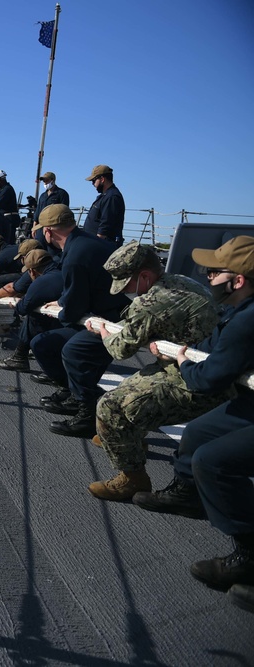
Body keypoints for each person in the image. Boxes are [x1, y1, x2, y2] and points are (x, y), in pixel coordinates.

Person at [132, 235, 254, 592]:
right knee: (198, 432)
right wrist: (184, 350)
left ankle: (250, 553)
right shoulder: (238, 309)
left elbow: (208, 380)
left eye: (214, 272)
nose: (208, 278)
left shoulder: (248, 320)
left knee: (213, 460)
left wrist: (182, 361)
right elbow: (215, 347)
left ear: (239, 280)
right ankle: (187, 493)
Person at [85, 242, 223, 501]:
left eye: (126, 284)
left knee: (109, 406)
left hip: (196, 380)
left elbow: (120, 349)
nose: (124, 290)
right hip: (203, 367)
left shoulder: (151, 301)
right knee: (127, 390)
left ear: (145, 277)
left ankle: (133, 480)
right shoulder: (179, 282)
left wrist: (103, 331)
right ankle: (128, 442)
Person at [27, 204, 128, 438]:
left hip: (113, 320)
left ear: (48, 232)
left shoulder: (75, 255)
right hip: (105, 312)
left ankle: (87, 415)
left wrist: (61, 310)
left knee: (73, 350)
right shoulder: (86, 242)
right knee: (43, 344)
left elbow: (74, 309)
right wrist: (62, 302)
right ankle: (73, 393)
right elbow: (79, 291)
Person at [0, 248, 63, 372]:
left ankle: (19, 358)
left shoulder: (41, 282)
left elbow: (22, 309)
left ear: (32, 271)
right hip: (75, 322)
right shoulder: (62, 272)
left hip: (63, 327)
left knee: (33, 316)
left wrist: (18, 303)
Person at [0, 239, 42, 304]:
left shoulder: (34, 271)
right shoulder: (54, 261)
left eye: (22, 258)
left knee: (0, 280)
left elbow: (11, 288)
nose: (22, 261)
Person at [83, 164, 125, 245]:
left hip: (102, 245)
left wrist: (96, 244)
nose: (93, 184)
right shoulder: (105, 196)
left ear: (102, 179)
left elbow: (106, 224)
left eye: (94, 181)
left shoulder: (112, 197)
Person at [0, 169, 20, 241]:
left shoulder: (7, 189)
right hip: (5, 219)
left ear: (1, 180)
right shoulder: (2, 190)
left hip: (9, 219)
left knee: (8, 240)